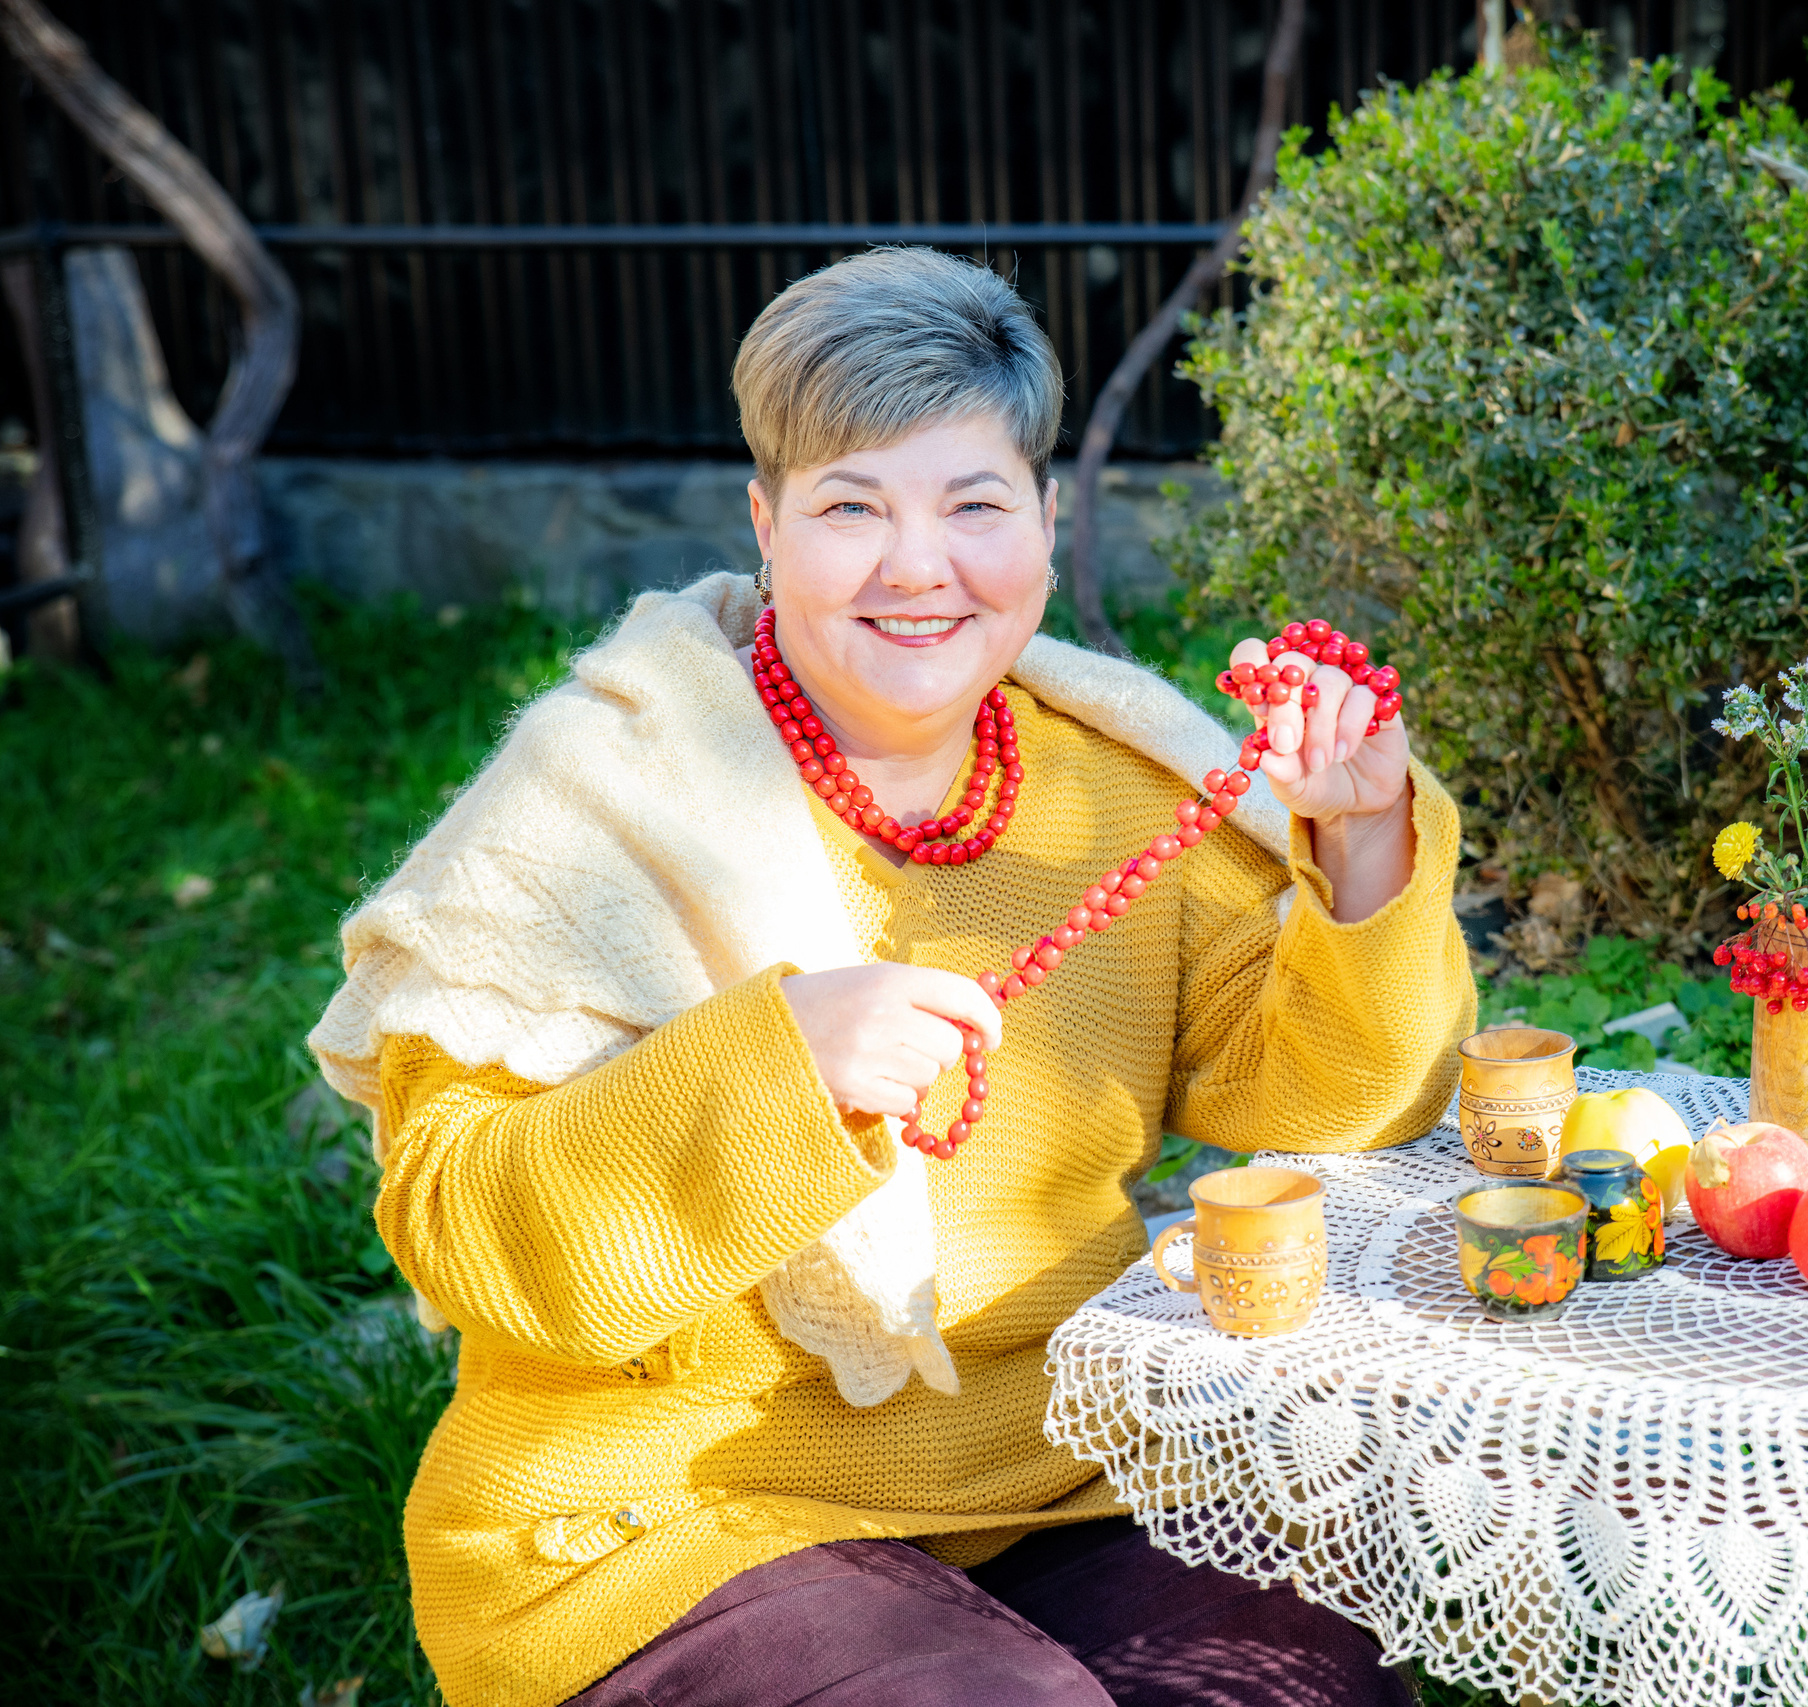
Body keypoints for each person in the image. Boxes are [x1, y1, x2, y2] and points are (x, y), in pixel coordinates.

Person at [309, 246, 1474, 1707]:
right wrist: (773, 1067)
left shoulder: (1117, 784)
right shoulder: (594, 802)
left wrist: (1360, 838)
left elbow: (1332, 1103)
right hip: (668, 1517)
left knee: (1301, 1685)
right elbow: (460, 1231)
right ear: (764, 526)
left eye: (973, 504)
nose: (919, 566)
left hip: (1064, 1465)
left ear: (1045, 526)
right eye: (851, 506)